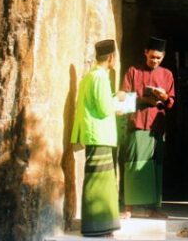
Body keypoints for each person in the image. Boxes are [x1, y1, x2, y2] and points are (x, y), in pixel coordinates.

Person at [72, 39, 126, 237]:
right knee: (99, 182)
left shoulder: (89, 76)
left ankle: (102, 224)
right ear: (111, 57)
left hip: (95, 134)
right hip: (100, 135)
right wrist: (118, 99)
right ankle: (96, 226)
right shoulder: (101, 77)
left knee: (100, 181)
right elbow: (104, 109)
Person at [121, 36, 176, 219]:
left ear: (163, 56)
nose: (155, 61)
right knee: (133, 164)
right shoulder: (133, 71)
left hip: (156, 126)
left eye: (159, 58)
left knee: (155, 167)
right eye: (152, 57)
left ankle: (153, 209)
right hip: (137, 123)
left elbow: (171, 102)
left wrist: (164, 97)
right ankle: (129, 208)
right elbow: (124, 97)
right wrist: (143, 99)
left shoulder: (167, 74)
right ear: (145, 53)